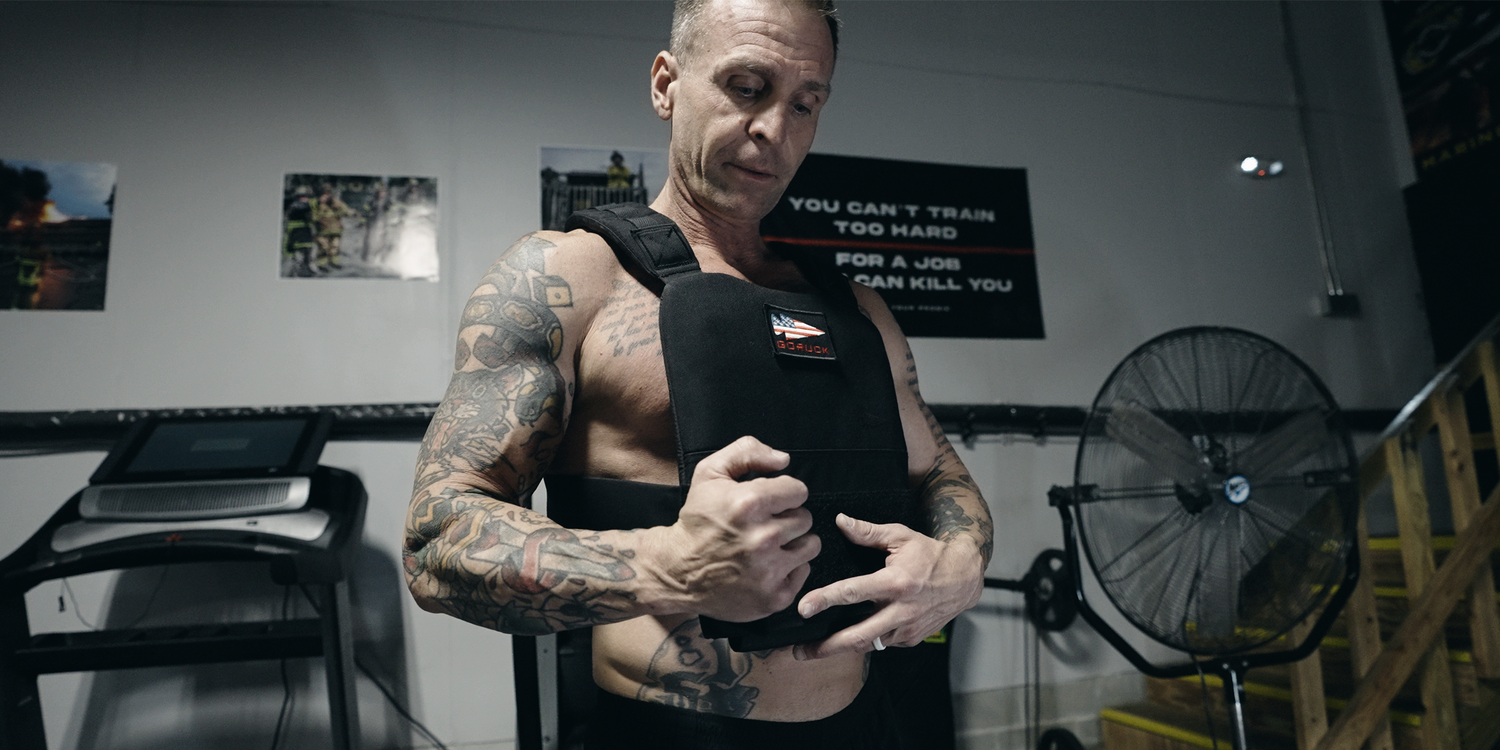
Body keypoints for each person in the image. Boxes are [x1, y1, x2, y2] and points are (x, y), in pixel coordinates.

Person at [402, 1, 993, 747]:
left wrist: (961, 563)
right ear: (665, 85)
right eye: (747, 86)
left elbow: (942, 477)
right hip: (664, 731)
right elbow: (436, 540)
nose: (774, 130)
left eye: (805, 103)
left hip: (867, 722)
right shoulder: (574, 278)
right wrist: (671, 566)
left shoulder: (858, 310)